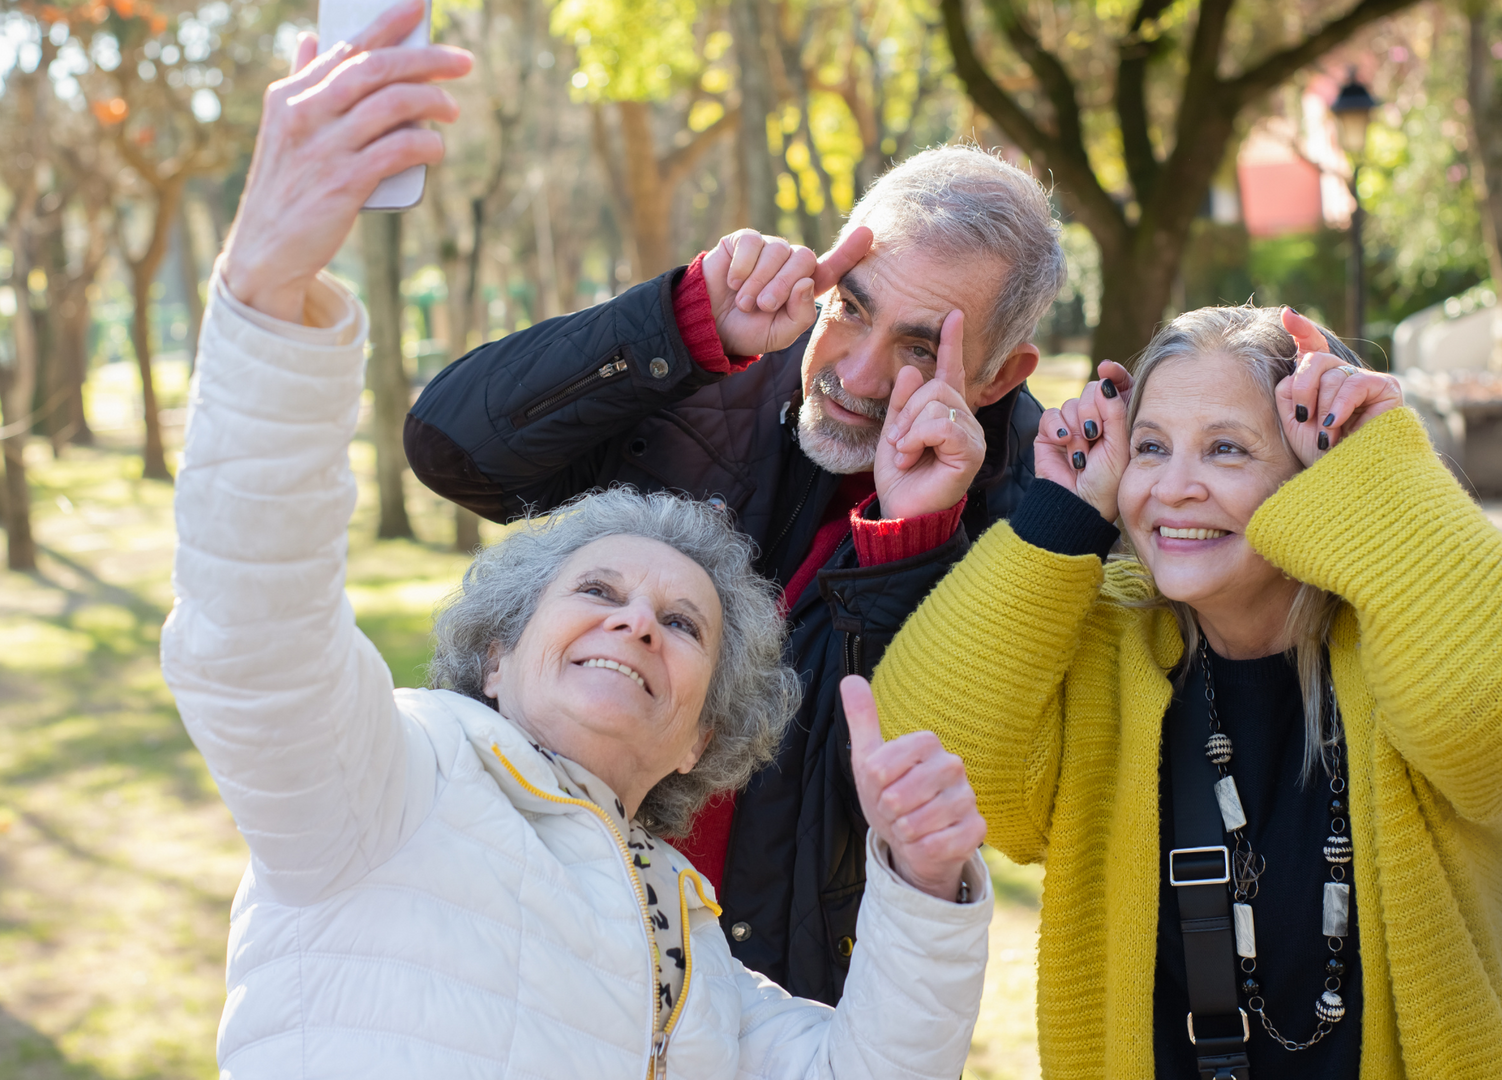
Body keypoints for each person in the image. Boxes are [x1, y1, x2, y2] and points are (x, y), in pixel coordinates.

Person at [164, 7, 994, 1076]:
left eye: (683, 624)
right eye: (596, 589)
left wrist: (925, 890)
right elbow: (251, 638)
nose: (637, 623)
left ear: (703, 737)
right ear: (497, 655)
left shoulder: (692, 949)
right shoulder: (388, 784)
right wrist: (269, 294)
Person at [403, 116, 1065, 1001]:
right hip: (542, 943)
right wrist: (678, 321)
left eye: (919, 347)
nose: (857, 375)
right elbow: (452, 449)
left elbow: (885, 793)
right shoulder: (716, 363)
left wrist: (910, 543)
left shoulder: (1030, 514)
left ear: (998, 377)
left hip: (770, 1007)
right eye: (853, 306)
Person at [870, 306, 1502, 1079]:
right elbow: (926, 753)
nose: (1175, 488)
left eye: (1225, 449)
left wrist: (1380, 467)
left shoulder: (1410, 634)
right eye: (1150, 448)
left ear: (1315, 471)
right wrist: (1062, 517)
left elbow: (1501, 720)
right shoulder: (1105, 643)